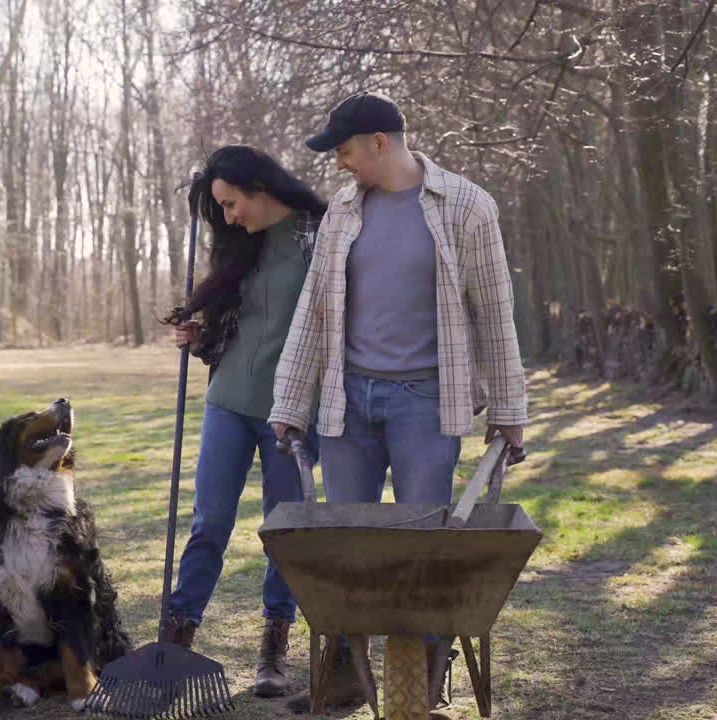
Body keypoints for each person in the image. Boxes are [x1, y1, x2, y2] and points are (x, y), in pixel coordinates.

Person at [268, 92, 529, 713]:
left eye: (346, 150)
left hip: (427, 405)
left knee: (425, 551)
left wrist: (510, 409)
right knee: (347, 553)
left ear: (380, 143)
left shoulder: (465, 206)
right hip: (346, 402)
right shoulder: (342, 210)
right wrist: (288, 399)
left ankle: (426, 680)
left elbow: (494, 313)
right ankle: (345, 677)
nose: (340, 163)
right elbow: (313, 310)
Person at [163, 145, 325, 698]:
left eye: (231, 204)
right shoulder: (241, 243)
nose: (228, 218)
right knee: (209, 522)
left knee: (284, 532)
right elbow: (236, 323)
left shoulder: (320, 235)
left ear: (259, 187)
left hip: (295, 412)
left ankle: (273, 654)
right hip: (229, 400)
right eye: (220, 210)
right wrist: (196, 330)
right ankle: (174, 644)